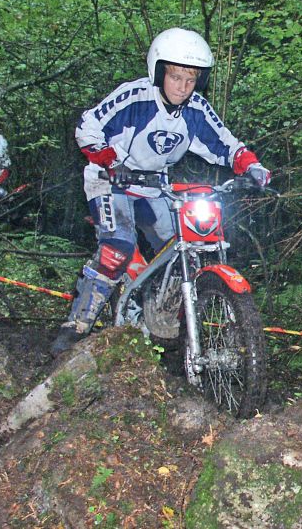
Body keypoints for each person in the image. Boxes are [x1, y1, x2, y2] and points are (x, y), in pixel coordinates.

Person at [50, 27, 271, 357]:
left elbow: (225, 143)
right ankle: (77, 325)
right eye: (176, 77)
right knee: (117, 248)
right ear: (159, 72)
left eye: (191, 79)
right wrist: (108, 158)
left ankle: (161, 318)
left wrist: (251, 166)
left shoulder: (196, 110)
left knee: (187, 249)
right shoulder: (135, 98)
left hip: (156, 186)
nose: (183, 87)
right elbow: (88, 125)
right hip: (110, 180)